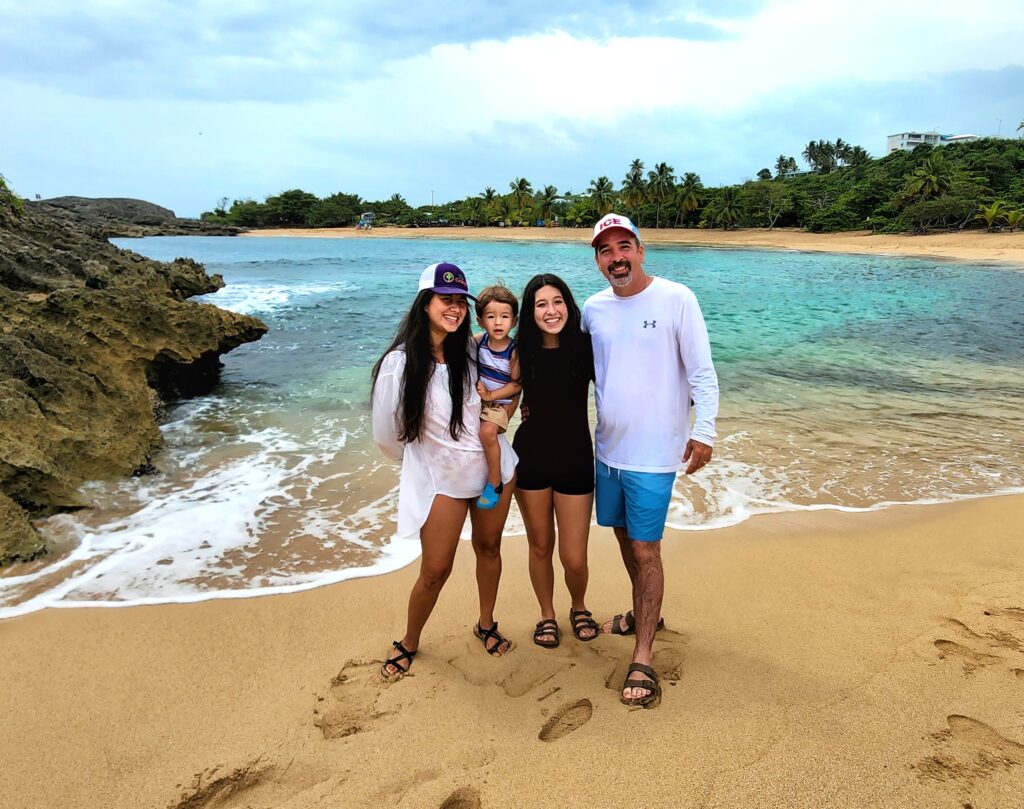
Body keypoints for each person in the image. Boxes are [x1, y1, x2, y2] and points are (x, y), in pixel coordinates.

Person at [582, 214, 719, 707]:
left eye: (624, 246)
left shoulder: (677, 298)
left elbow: (702, 372)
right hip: (608, 450)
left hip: (655, 454)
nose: (616, 258)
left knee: (645, 550)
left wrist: (704, 431)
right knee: (623, 538)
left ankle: (643, 655)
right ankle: (646, 614)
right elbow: (583, 373)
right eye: (605, 251)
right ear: (597, 260)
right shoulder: (592, 309)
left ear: (640, 250)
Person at [371, 261, 518, 681]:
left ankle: (486, 623)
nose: (453, 308)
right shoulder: (399, 364)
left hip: (494, 470)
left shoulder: (471, 350)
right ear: (424, 304)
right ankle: (410, 640)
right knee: (435, 569)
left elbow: (512, 369)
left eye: (459, 301)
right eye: (444, 300)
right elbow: (387, 435)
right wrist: (423, 462)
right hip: (441, 482)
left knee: (489, 550)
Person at [512, 274, 599, 648]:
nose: (551, 310)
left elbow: (627, 379)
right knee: (540, 546)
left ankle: (578, 606)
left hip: (576, 458)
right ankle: (547, 614)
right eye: (541, 304)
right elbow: (480, 355)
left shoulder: (586, 346)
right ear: (530, 312)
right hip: (530, 459)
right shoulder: (520, 351)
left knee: (574, 557)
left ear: (569, 304)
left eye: (557, 301)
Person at [473, 285, 521, 509]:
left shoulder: (513, 350)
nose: (498, 323)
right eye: (491, 317)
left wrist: (491, 394)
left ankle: (495, 481)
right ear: (480, 320)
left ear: (515, 320)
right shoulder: (479, 341)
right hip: (481, 402)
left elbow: (516, 384)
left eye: (505, 317)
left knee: (487, 432)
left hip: (500, 404)